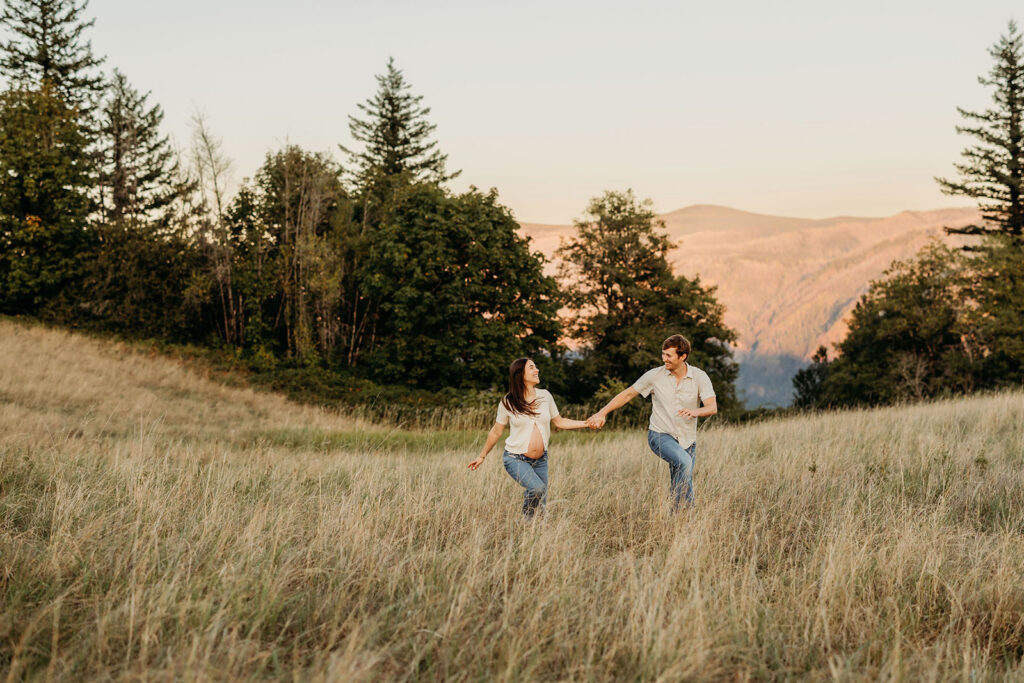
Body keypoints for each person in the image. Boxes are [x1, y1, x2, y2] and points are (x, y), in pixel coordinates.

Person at [586, 334, 717, 509]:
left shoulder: (699, 377)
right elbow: (627, 394)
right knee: (684, 463)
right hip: (660, 435)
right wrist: (602, 413)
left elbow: (712, 407)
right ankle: (683, 513)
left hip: (687, 439)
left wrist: (695, 411)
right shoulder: (655, 376)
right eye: (663, 354)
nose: (664, 359)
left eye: (668, 355)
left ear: (683, 356)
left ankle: (680, 518)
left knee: (682, 477)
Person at [468, 358, 590, 518]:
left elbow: (560, 422)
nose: (537, 370)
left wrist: (586, 423)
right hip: (515, 458)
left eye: (536, 366)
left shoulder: (545, 396)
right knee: (537, 489)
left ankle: (534, 535)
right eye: (532, 367)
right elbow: (496, 431)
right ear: (520, 374)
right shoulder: (508, 401)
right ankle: (526, 518)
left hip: (541, 460)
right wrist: (482, 455)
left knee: (542, 506)